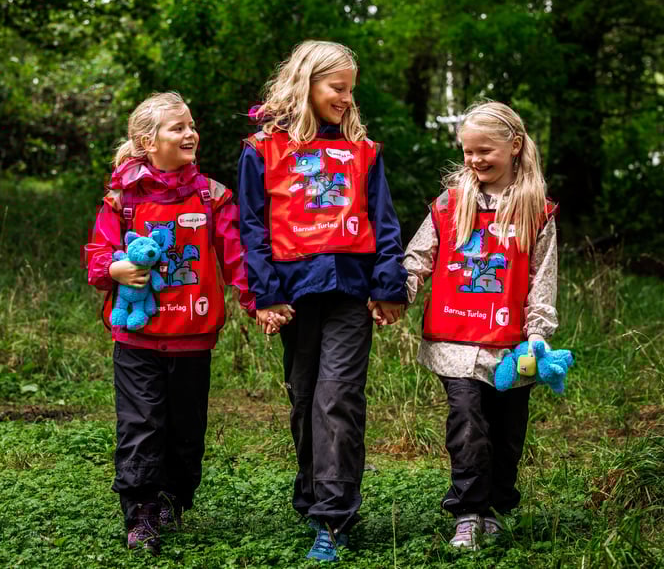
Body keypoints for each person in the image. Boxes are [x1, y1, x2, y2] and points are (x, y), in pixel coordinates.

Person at [238, 40, 408, 562]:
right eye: (338, 88)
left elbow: (383, 221)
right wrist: (265, 294)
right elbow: (251, 225)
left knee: (338, 399)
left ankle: (333, 519)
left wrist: (388, 285)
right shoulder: (261, 149)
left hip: (350, 293)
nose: (347, 99)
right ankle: (313, 493)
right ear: (307, 83)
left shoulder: (364, 152)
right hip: (294, 296)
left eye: (351, 91)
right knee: (305, 397)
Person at [83, 91, 261, 555]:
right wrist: (115, 270)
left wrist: (259, 302)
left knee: (185, 429)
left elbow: (235, 258)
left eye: (191, 125)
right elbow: (98, 256)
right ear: (147, 141)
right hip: (137, 337)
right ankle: (140, 512)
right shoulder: (121, 198)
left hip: (192, 338)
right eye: (177, 127)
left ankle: (172, 498)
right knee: (141, 425)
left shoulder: (212, 196)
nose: (190, 133)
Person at [402, 101, 558, 550]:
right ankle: (467, 512)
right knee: (467, 425)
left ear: (514, 146)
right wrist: (398, 293)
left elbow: (541, 280)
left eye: (484, 150)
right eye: (467, 151)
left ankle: (497, 504)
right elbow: (418, 258)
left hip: (513, 346)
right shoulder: (450, 203)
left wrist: (538, 336)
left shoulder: (538, 211)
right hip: (457, 342)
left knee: (507, 434)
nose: (474, 160)